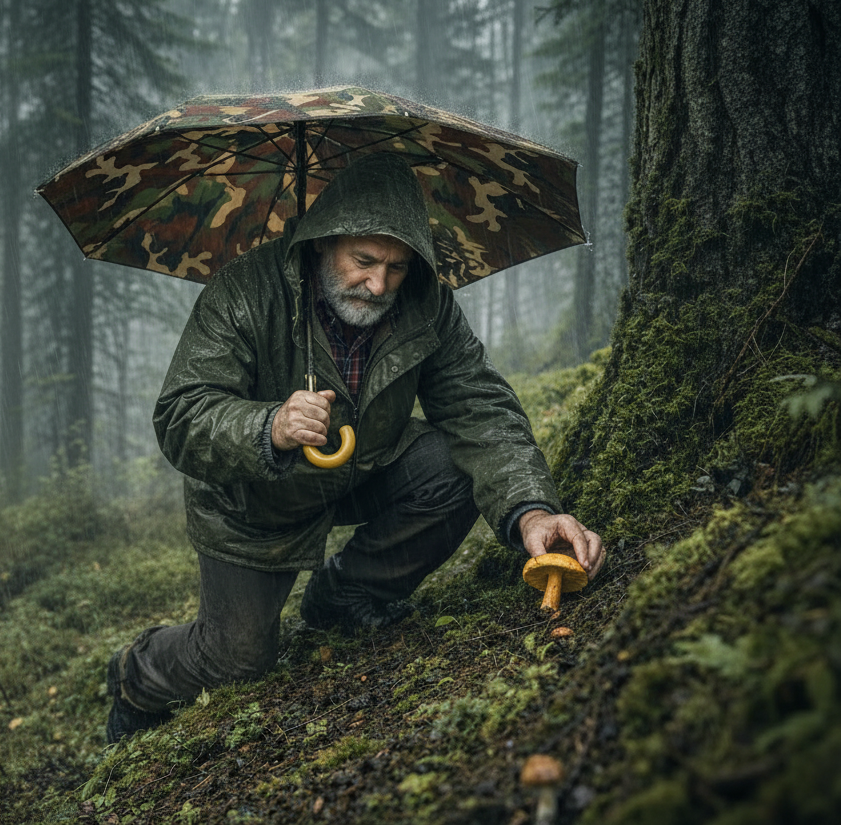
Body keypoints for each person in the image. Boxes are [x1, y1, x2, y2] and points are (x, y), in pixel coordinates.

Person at [105, 153, 604, 743]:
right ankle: (136, 673)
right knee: (236, 662)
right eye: (363, 261)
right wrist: (269, 427)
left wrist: (532, 510)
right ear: (322, 243)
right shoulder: (243, 292)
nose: (379, 284)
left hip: (364, 468)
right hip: (254, 506)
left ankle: (346, 597)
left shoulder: (426, 302)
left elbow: (480, 409)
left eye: (396, 267)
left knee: (450, 464)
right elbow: (181, 416)